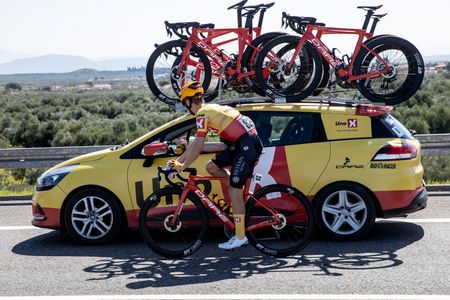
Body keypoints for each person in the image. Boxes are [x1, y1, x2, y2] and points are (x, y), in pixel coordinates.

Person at [169, 81, 263, 250]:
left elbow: (198, 145)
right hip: (242, 143)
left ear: (190, 102)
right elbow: (201, 144)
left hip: (245, 145)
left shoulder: (202, 114)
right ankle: (236, 188)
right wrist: (179, 162)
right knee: (211, 167)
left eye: (185, 105)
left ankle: (240, 236)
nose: (187, 108)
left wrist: (183, 166)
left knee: (235, 191)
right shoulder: (211, 109)